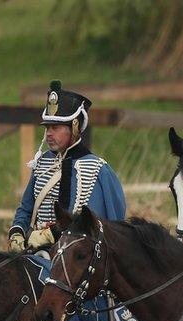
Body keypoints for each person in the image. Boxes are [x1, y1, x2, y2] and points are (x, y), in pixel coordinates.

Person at [9, 80, 126, 254]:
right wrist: (17, 232)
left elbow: (91, 222)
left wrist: (51, 234)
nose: (49, 133)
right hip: (33, 251)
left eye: (55, 127)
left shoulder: (97, 170)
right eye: (47, 127)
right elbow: (26, 208)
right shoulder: (42, 163)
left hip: (73, 258)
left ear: (75, 127)